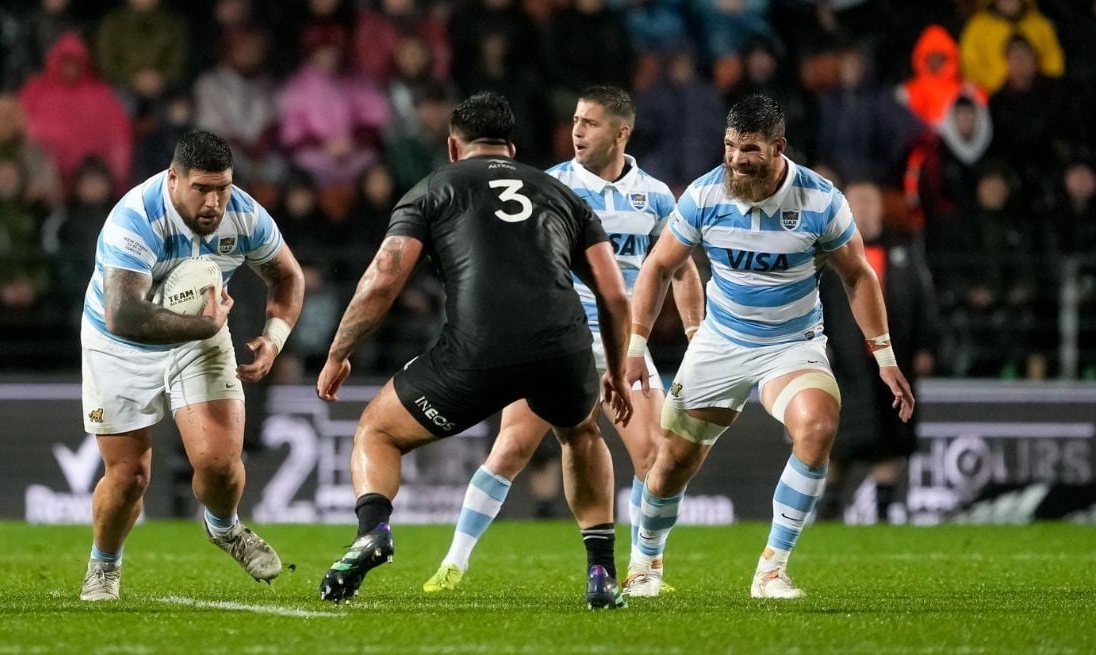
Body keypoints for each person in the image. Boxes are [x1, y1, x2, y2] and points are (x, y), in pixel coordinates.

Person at [315, 92, 635, 609]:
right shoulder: (561, 193)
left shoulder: (434, 187)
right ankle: (602, 572)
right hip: (562, 347)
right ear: (511, 147)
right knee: (581, 434)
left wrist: (338, 352)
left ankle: (373, 530)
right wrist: (616, 371)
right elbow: (616, 295)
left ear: (452, 146)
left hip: (478, 351)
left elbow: (383, 280)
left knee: (377, 430)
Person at [625, 95, 915, 599]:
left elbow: (858, 276)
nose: (736, 159)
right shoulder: (705, 194)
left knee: (818, 427)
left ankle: (772, 571)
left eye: (750, 149)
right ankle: (645, 563)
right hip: (721, 343)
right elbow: (659, 266)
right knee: (669, 464)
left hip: (792, 345)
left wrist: (884, 356)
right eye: (730, 146)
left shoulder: (820, 200)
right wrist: (635, 344)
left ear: (779, 147)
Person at [420, 85, 704, 598]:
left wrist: (694, 334)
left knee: (655, 457)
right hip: (557, 340)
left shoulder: (658, 196)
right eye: (575, 120)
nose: (576, 131)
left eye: (590, 123)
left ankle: (645, 568)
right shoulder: (550, 186)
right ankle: (453, 562)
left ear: (621, 133)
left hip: (625, 345)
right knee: (511, 447)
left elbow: (680, 269)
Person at [77, 130, 304, 601]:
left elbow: (288, 275)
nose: (214, 202)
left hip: (200, 334)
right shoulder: (136, 218)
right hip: (120, 343)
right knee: (128, 476)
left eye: (222, 188)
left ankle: (224, 527)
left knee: (220, 466)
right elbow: (125, 314)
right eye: (201, 188)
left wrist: (275, 337)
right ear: (173, 179)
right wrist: (205, 325)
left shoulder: (245, 215)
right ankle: (104, 565)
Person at [817, 181, 937, 524]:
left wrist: (926, 346)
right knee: (840, 445)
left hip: (892, 364)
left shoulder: (903, 251)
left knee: (889, 444)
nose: (865, 209)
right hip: (846, 365)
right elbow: (814, 304)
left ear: (881, 208)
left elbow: (923, 301)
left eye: (871, 202)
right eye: (858, 202)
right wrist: (820, 344)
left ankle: (883, 517)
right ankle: (827, 514)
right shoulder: (829, 255)